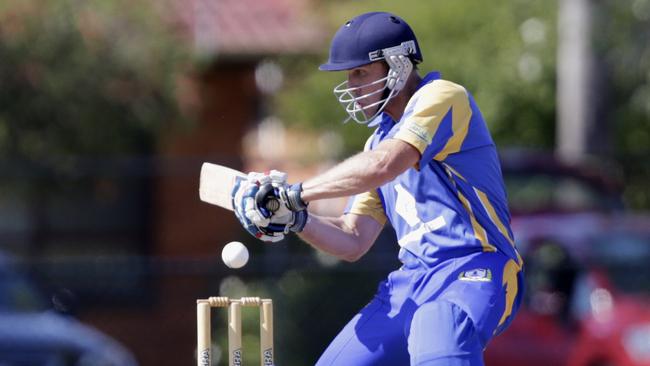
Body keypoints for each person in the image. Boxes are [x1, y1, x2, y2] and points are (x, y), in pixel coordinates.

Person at [232, 11, 524, 366]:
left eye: (361, 72)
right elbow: (353, 239)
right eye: (349, 75)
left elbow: (386, 165)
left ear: (398, 65)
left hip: (474, 268)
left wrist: (296, 193)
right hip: (411, 282)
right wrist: (295, 218)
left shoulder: (444, 97)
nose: (353, 85)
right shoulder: (377, 142)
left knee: (440, 327)